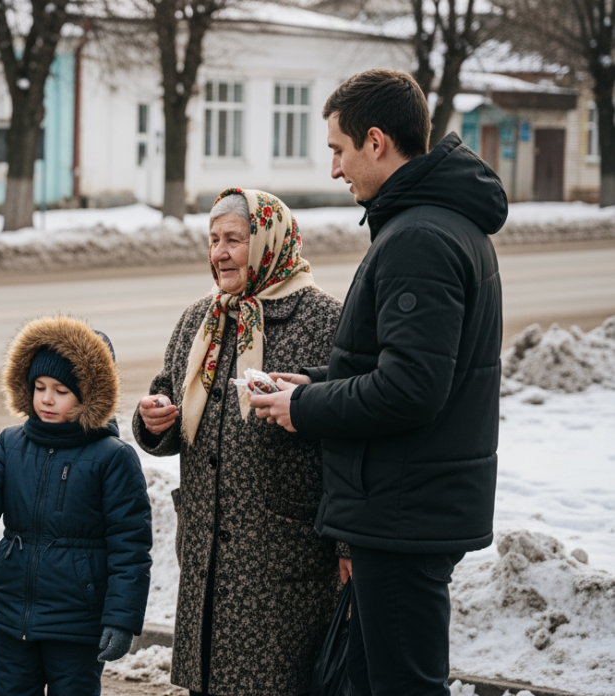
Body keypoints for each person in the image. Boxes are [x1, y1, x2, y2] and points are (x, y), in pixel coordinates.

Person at [251, 69, 506, 696]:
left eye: (338, 150)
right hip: (406, 503)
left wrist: (304, 406)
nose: (334, 169)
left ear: (375, 141)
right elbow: (409, 364)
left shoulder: (419, 237)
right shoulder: (433, 223)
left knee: (402, 685)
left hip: (403, 510)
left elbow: (411, 388)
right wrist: (313, 381)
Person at [133, 188, 344, 696]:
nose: (219, 253)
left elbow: (350, 441)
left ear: (270, 242)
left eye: (234, 239)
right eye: (213, 240)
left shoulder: (324, 321)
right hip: (207, 557)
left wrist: (346, 542)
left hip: (283, 560)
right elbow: (169, 397)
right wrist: (153, 420)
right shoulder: (199, 320)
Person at [0, 316, 152, 696]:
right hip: (13, 611)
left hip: (77, 619)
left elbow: (131, 546)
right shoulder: (11, 443)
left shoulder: (112, 457)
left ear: (90, 394)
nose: (46, 399)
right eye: (39, 387)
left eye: (61, 390)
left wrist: (121, 620)